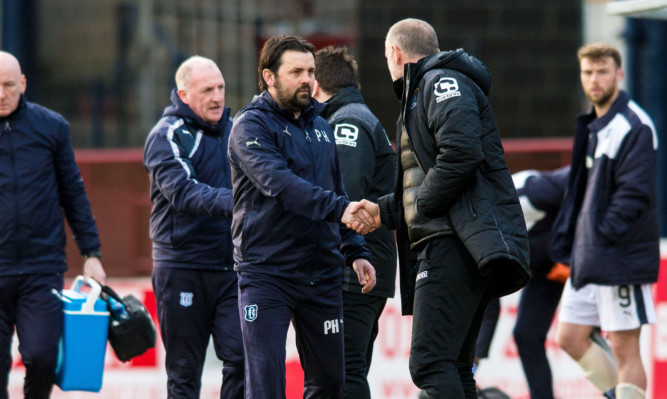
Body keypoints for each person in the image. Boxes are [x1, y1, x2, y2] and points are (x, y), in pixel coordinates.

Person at [350, 19, 530, 398]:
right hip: (457, 238)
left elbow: (461, 153)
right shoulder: (422, 90)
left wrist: (425, 205)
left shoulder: (440, 82)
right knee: (454, 366)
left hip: (453, 241)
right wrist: (383, 211)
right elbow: (424, 178)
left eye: (386, 56)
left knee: (430, 363)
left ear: (395, 53)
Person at [227, 35, 377, 399]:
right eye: (296, 71)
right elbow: (280, 184)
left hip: (321, 274)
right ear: (269, 77)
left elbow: (337, 189)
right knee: (267, 386)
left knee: (330, 382)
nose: (307, 79)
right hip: (267, 273)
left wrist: (355, 251)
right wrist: (341, 210)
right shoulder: (250, 126)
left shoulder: (321, 127)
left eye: (310, 71)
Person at [549, 43, 659, 399]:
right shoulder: (595, 125)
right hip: (591, 257)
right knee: (569, 336)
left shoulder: (634, 125)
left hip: (619, 257)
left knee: (626, 350)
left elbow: (634, 194)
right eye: (588, 72)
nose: (594, 79)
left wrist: (602, 236)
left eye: (602, 71)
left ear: (619, 75)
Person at [0, 51, 107, 399]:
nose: (2, 94)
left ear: (23, 84)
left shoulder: (52, 127)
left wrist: (91, 252)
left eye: (8, 85)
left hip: (41, 267)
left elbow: (73, 193)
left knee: (43, 357)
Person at [143, 55, 244, 399]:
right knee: (185, 374)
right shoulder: (165, 136)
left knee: (244, 360)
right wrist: (242, 203)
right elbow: (183, 193)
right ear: (184, 95)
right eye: (207, 91)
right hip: (182, 267)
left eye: (221, 88)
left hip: (232, 268)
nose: (217, 97)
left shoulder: (237, 132)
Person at [312, 46, 397, 399]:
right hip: (359, 268)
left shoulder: (346, 122)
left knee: (344, 373)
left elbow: (346, 200)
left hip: (352, 271)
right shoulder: (351, 116)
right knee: (345, 371)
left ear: (315, 84)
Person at [511, 167, 569, 399]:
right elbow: (488, 307)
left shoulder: (527, 194)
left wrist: (570, 257)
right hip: (546, 268)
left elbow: (579, 184)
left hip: (581, 259)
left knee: (584, 335)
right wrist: (474, 362)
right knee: (527, 335)